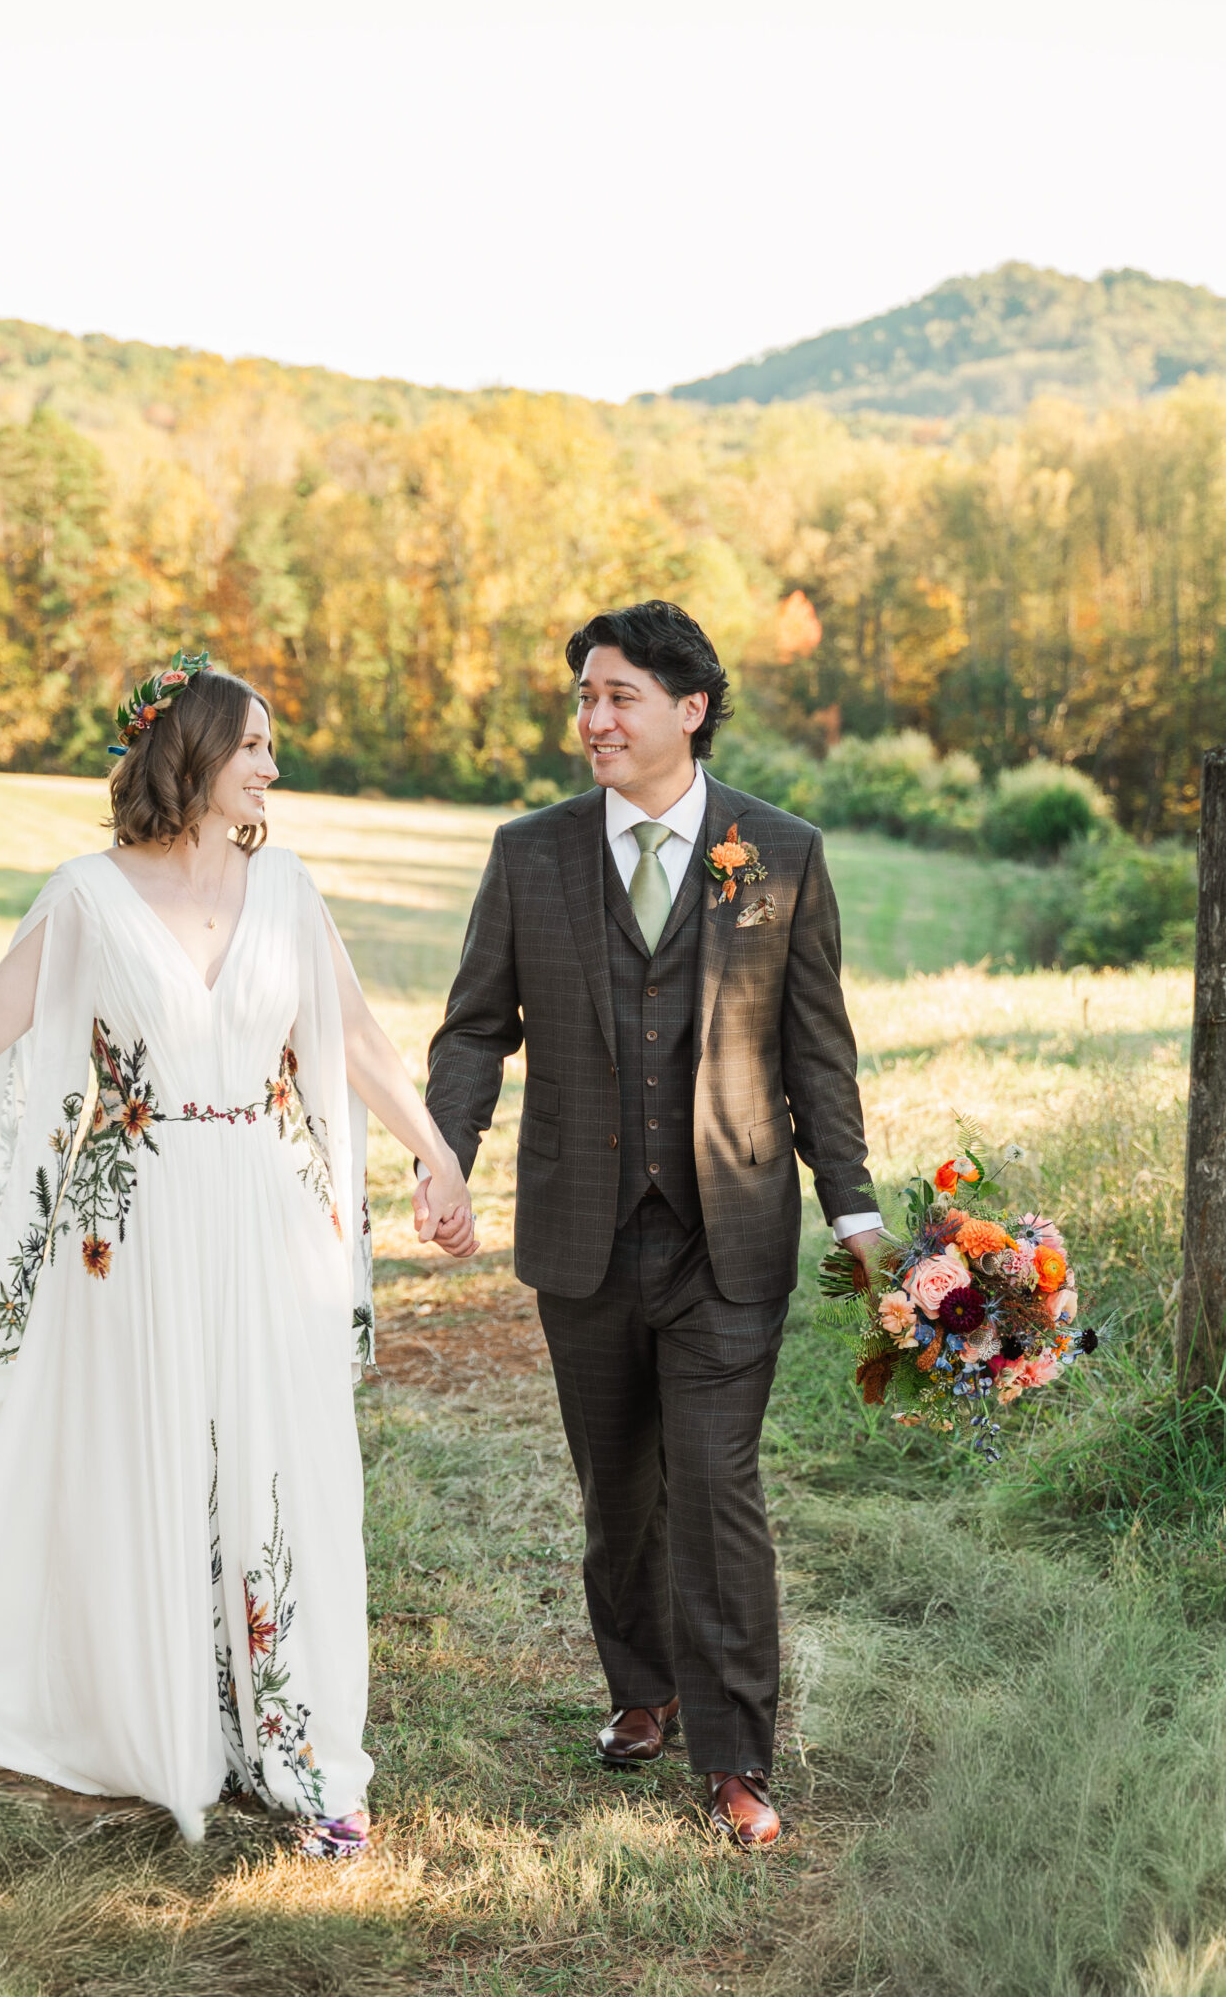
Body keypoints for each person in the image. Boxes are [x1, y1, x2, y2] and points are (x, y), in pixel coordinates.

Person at [0, 658, 476, 1855]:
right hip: (130, 1227)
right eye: (252, 745)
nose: (272, 767)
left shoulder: (286, 887)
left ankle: (301, 1743)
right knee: (156, 1461)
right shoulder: (85, 896)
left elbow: (360, 1044)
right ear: (191, 754)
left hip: (268, 1217)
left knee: (283, 1466)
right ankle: (165, 1722)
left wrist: (435, 1154)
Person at [421, 600, 880, 1847]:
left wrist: (855, 1214)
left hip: (727, 1233)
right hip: (580, 1226)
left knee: (717, 1487)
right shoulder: (531, 853)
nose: (593, 718)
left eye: (617, 695)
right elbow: (473, 1025)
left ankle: (736, 1757)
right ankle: (643, 1690)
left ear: (689, 708)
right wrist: (443, 1155)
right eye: (582, 696)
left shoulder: (778, 852)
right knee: (616, 1491)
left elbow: (815, 1053)